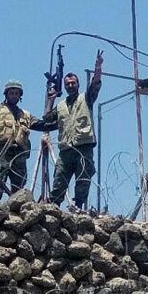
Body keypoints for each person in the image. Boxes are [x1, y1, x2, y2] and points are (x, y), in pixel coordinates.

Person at [0, 72, 51, 205]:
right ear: (6, 94)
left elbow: (42, 125)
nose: (14, 96)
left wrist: (60, 119)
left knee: (19, 187)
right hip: (3, 151)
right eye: (12, 93)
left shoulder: (25, 115)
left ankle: (16, 212)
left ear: (20, 96)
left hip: (19, 154)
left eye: (17, 93)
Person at [43, 50, 103, 210]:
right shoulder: (61, 105)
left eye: (73, 83)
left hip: (83, 146)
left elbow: (95, 85)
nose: (70, 86)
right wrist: (51, 99)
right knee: (59, 180)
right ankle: (53, 207)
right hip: (66, 149)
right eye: (67, 84)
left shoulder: (86, 98)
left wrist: (98, 68)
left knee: (83, 179)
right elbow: (47, 119)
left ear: (78, 84)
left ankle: (78, 207)